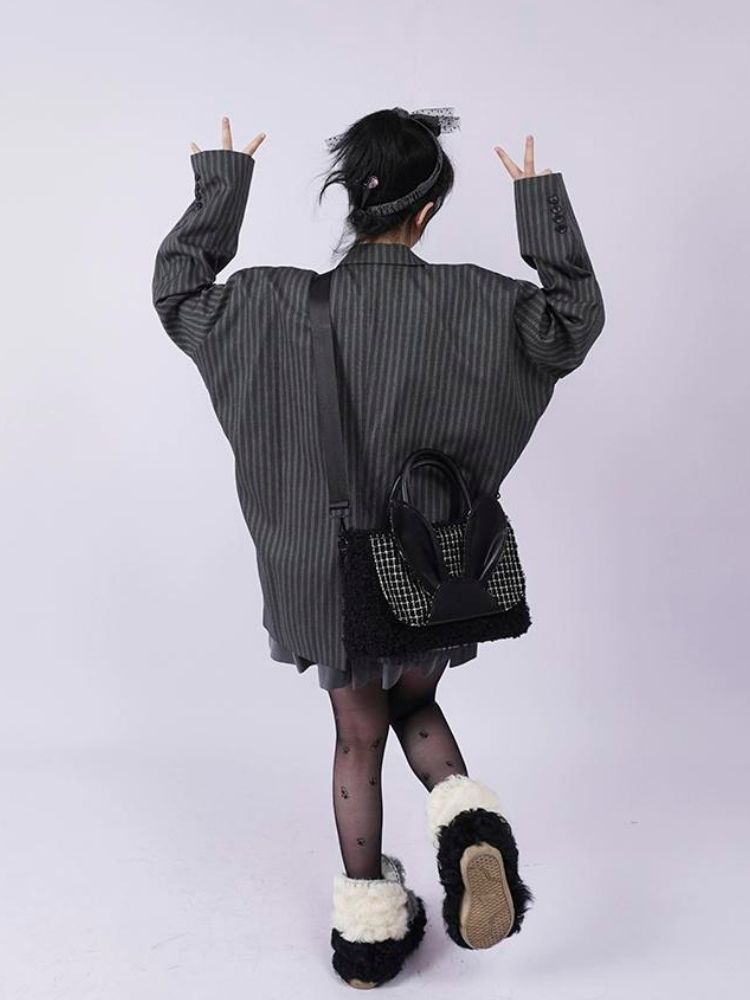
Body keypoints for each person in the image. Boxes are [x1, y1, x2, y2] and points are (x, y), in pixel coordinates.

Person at [152, 107, 605, 987]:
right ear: (426, 210)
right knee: (415, 704)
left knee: (358, 736)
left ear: (350, 202)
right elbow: (574, 319)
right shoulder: (485, 303)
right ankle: (472, 832)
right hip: (427, 568)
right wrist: (540, 205)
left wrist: (221, 188)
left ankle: (366, 939)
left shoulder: (265, 303)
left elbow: (178, 295)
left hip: (321, 577)